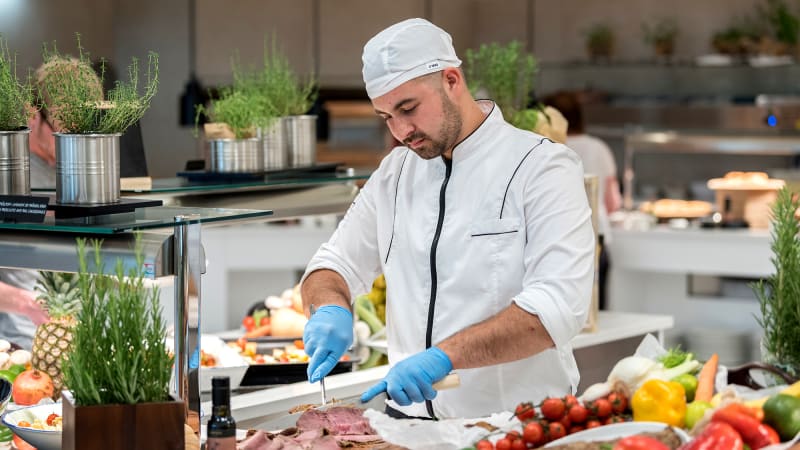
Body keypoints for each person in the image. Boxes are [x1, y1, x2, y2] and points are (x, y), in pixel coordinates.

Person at [300, 18, 595, 420]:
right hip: (407, 426)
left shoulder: (542, 166)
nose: (401, 131)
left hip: (512, 425)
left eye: (408, 108)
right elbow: (332, 265)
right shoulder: (394, 174)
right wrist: (329, 307)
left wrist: (444, 357)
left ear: (452, 80)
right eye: (386, 117)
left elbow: (555, 309)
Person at [0, 57, 103, 348]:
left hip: (82, 340)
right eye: (63, 131)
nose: (75, 141)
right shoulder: (7, 172)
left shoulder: (78, 170)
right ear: (32, 114)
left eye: (83, 129)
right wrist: (24, 302)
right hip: (19, 344)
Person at [543, 91, 622, 310]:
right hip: (597, 234)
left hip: (558, 238)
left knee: (563, 310)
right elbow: (613, 202)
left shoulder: (546, 147)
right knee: (597, 311)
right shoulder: (599, 147)